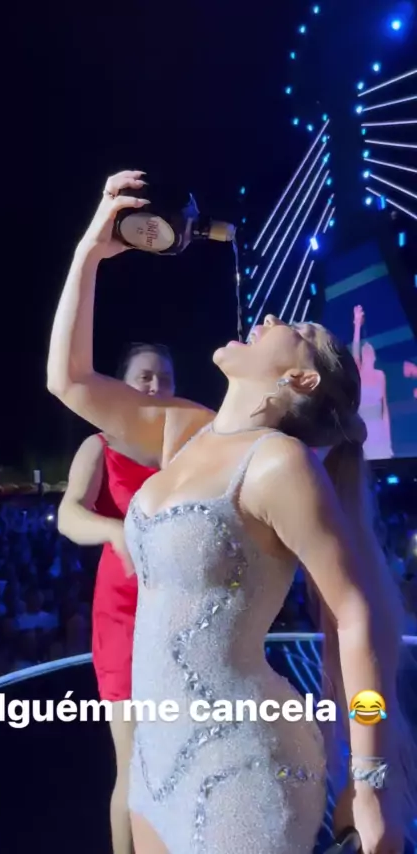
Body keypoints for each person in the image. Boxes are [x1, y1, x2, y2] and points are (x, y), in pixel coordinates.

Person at [47, 170, 415, 854]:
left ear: (298, 379)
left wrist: (369, 777)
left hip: (245, 769)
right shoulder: (185, 432)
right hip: (156, 760)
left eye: (293, 329)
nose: (269, 319)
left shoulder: (278, 464)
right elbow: (68, 380)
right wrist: (89, 252)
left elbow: (356, 618)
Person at [58, 341, 175, 854]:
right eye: (145, 375)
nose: (156, 385)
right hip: (125, 612)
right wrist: (113, 530)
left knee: (176, 749)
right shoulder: (100, 445)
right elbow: (69, 515)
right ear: (120, 383)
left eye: (165, 377)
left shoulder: (186, 448)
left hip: (180, 610)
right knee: (133, 759)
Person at [352, 305, 393, 459]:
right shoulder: (359, 373)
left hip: (378, 430)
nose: (367, 350)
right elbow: (355, 350)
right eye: (365, 350)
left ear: (374, 357)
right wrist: (357, 324)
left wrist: (388, 439)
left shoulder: (380, 375)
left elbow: (385, 408)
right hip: (363, 430)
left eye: (370, 350)